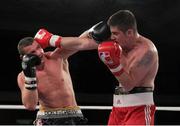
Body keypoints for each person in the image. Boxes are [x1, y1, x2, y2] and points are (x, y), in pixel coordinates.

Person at [88, 10, 159, 125]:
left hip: (139, 109)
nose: (112, 37)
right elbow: (79, 44)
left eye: (115, 33)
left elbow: (129, 85)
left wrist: (113, 64)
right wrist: (91, 32)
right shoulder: (118, 44)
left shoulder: (147, 51)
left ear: (129, 32)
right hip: (117, 108)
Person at [17, 32, 97, 125]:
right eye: (32, 52)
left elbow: (78, 42)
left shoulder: (57, 57)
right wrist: (30, 76)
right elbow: (30, 105)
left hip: (74, 115)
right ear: (23, 57)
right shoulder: (22, 77)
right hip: (47, 118)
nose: (39, 53)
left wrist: (91, 31)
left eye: (38, 47)